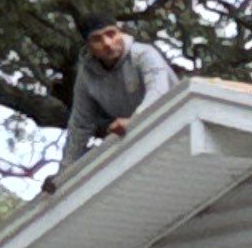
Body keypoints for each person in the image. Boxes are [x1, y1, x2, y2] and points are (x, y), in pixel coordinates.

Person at [57, 14, 179, 176]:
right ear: (88, 46)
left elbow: (158, 92)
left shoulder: (143, 54)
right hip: (138, 144)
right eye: (97, 39)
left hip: (175, 125)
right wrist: (64, 172)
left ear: (120, 32)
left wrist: (134, 120)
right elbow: (80, 125)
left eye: (111, 34)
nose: (107, 43)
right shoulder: (86, 76)